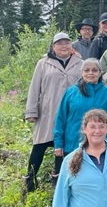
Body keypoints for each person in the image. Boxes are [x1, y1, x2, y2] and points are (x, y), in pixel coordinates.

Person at [24, 32, 83, 192]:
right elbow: (34, 88)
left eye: (67, 42)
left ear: (71, 46)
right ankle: (30, 180)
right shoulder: (43, 63)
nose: (63, 46)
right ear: (53, 46)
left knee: (62, 147)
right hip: (47, 112)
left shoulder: (80, 63)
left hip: (70, 114)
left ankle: (58, 183)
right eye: (59, 43)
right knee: (39, 146)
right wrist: (31, 111)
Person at [54, 58, 107, 169]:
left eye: (94, 70)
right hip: (73, 145)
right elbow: (61, 118)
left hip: (100, 147)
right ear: (82, 73)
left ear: (100, 73)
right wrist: (58, 143)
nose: (90, 73)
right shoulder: (71, 92)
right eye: (87, 70)